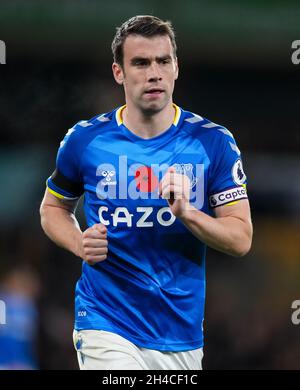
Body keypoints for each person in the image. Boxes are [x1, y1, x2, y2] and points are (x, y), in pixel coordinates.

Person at [40, 15, 253, 370]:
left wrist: (188, 213)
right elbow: (52, 208)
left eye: (162, 61)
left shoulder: (213, 142)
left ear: (176, 68)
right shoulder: (85, 140)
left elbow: (241, 238)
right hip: (105, 322)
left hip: (180, 333)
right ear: (118, 73)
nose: (154, 72)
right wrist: (79, 243)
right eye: (140, 62)